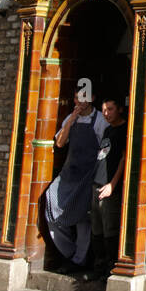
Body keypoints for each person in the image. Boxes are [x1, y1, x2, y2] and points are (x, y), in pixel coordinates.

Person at [44, 93, 107, 274]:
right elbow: (60, 143)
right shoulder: (70, 119)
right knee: (52, 207)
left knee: (83, 219)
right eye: (77, 98)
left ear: (93, 98)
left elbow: (105, 147)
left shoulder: (100, 120)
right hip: (69, 174)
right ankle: (69, 252)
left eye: (84, 97)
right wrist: (71, 119)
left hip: (88, 175)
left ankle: (79, 260)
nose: (80, 101)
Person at [86, 98, 128, 282]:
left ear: (119, 109)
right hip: (97, 182)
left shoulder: (124, 130)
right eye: (103, 110)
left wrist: (112, 184)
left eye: (110, 109)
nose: (106, 113)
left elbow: (123, 159)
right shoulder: (108, 129)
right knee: (96, 228)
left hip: (110, 186)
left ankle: (110, 268)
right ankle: (99, 267)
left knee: (109, 228)